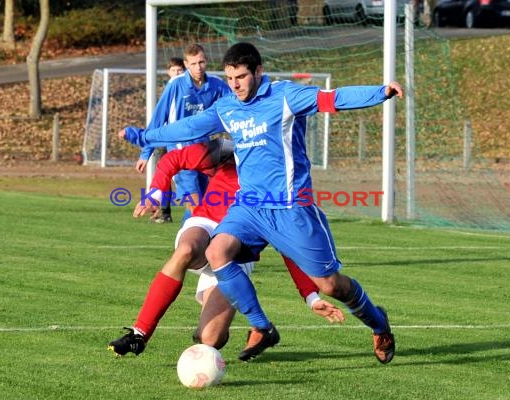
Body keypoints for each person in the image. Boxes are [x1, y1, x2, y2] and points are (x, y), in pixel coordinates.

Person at [121, 42, 403, 363]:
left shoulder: (285, 96)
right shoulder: (228, 107)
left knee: (330, 285)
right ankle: (261, 326)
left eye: (241, 77)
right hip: (249, 207)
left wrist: (380, 92)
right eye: (229, 78)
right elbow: (189, 127)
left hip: (291, 207)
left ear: (258, 71)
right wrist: (146, 138)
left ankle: (378, 322)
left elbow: (331, 99)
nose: (235, 85)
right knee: (216, 251)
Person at [108, 138, 345, 356]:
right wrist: (157, 191)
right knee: (187, 249)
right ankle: (139, 334)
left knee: (209, 340)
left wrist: (311, 297)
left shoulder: (283, 184)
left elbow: (288, 245)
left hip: (235, 253)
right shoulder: (231, 149)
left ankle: (238, 326)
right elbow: (172, 159)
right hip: (207, 224)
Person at [125, 43, 232, 223]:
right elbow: (159, 118)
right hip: (180, 155)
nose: (198, 67)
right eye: (193, 64)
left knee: (207, 205)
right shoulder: (176, 85)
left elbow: (237, 105)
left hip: (205, 154)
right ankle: (189, 246)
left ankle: (195, 243)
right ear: (186, 64)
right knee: (195, 205)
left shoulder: (215, 85)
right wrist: (146, 153)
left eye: (202, 62)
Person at [140, 57, 185, 224]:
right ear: (168, 72)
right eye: (173, 70)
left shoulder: (188, 90)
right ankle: (164, 212)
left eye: (179, 71)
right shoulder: (170, 89)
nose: (176, 74)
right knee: (163, 173)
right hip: (166, 140)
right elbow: (158, 120)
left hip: (188, 143)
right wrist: (146, 152)